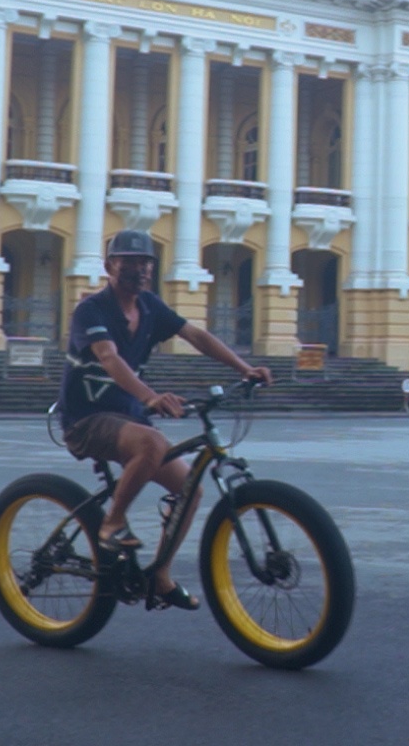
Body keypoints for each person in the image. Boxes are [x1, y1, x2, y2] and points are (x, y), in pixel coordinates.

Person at [59, 229, 273, 610]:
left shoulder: (151, 308)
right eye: (129, 262)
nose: (140, 270)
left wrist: (244, 368)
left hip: (129, 419)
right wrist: (150, 396)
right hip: (87, 419)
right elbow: (109, 358)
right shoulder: (91, 309)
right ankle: (112, 524)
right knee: (153, 444)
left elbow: (196, 335)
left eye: (146, 263)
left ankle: (159, 577)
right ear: (110, 267)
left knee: (191, 488)